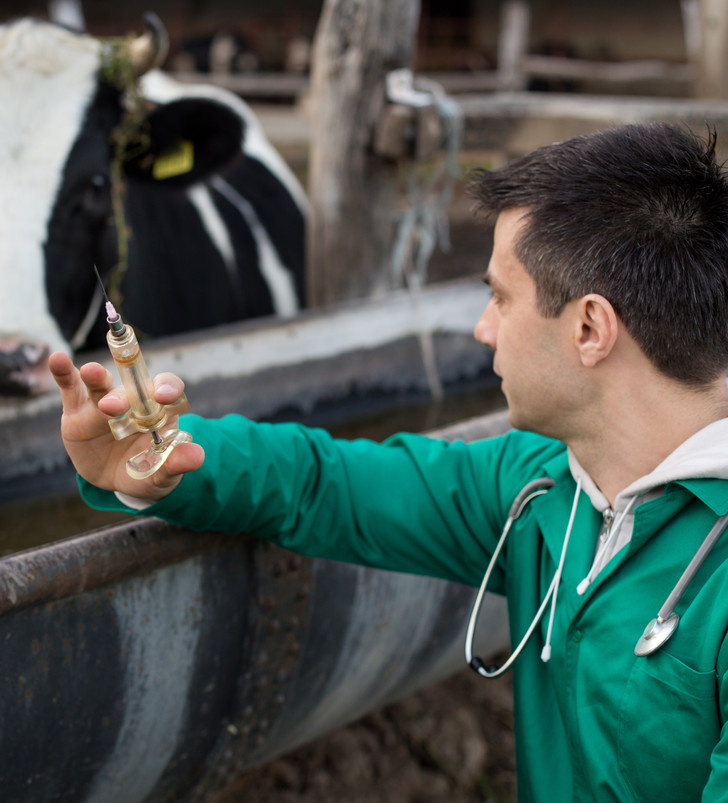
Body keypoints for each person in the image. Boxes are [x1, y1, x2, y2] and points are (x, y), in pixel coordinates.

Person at [48, 122, 728, 802]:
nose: (482, 328)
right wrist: (161, 457)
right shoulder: (542, 485)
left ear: (588, 329)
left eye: (500, 297)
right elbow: (326, 484)